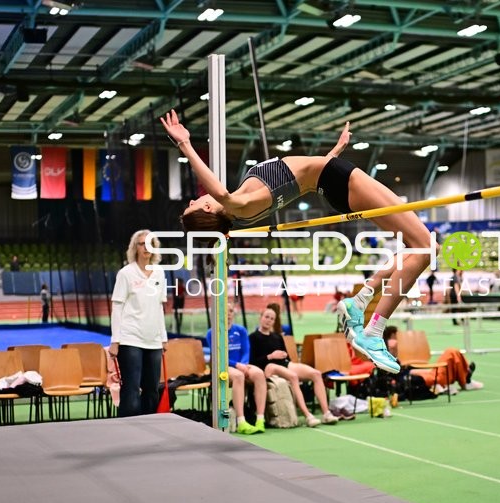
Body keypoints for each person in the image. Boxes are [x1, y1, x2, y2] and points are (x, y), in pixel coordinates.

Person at [162, 111, 435, 374]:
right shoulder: (241, 205)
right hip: (339, 179)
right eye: (193, 206)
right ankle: (373, 331)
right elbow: (220, 192)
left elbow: (301, 177)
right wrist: (184, 143)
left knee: (417, 248)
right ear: (208, 210)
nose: (192, 200)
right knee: (426, 247)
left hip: (332, 181)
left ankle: (360, 301)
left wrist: (333, 153)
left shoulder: (244, 200)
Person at [109, 230, 168, 418]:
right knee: (132, 390)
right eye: (142, 243)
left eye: (150, 243)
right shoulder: (125, 273)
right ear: (135, 247)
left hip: (154, 340)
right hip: (130, 339)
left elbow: (159, 307)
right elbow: (117, 307)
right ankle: (127, 431)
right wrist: (115, 341)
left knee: (152, 390)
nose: (146, 247)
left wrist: (163, 338)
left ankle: (149, 431)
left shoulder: (160, 272)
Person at [248, 307, 338, 427]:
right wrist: (270, 356)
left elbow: (287, 357)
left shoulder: (277, 337)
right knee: (293, 377)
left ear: (274, 321)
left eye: (272, 319)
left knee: (316, 374)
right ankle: (308, 416)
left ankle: (326, 413)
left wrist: (284, 356)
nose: (268, 320)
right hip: (268, 366)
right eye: (266, 317)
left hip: (284, 364)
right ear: (261, 317)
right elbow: (252, 361)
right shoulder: (253, 337)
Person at [210, 303, 267, 435]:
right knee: (238, 376)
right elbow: (218, 355)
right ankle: (241, 421)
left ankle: (260, 419)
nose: (228, 313)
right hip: (223, 366)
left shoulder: (241, 330)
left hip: (241, 364)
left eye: (231, 311)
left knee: (259, 373)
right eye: (225, 311)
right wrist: (237, 365)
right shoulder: (213, 332)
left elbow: (246, 350)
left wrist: (243, 364)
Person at [384, 326, 482, 393]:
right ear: (392, 337)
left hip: (422, 372)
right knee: (451, 353)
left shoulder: (398, 356)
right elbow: (405, 373)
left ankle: (466, 379)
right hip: (420, 376)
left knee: (452, 355)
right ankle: (466, 380)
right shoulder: (389, 352)